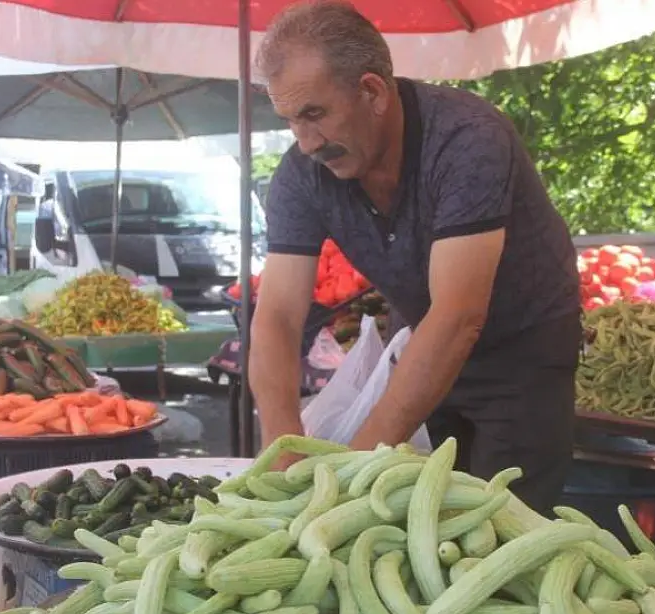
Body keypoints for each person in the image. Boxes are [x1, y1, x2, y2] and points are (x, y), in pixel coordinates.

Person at [249, 1, 582, 514]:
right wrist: (283, 446)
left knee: (502, 528)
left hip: (522, 353)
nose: (306, 141)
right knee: (414, 522)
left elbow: (459, 316)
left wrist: (351, 471)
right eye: (290, 120)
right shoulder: (301, 174)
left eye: (315, 114)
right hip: (422, 345)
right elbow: (276, 315)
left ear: (373, 91)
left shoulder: (468, 140)